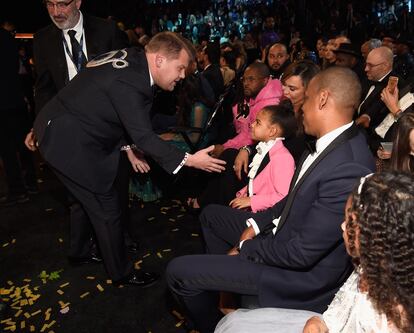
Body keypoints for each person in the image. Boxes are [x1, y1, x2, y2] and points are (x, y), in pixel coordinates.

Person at [166, 67, 375, 333]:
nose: (299, 108)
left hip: (296, 274)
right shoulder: (326, 143)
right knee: (211, 216)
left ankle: (216, 323)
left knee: (178, 272)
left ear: (322, 99)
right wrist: (254, 225)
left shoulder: (349, 165)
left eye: (306, 99)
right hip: (279, 238)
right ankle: (226, 290)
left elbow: (301, 253)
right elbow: (290, 200)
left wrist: (245, 248)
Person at [28, 32, 226, 287]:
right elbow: (144, 135)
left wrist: (128, 148)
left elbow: (112, 108)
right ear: (159, 60)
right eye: (179, 68)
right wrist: (189, 159)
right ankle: (120, 272)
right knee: (107, 204)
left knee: (82, 198)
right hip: (67, 140)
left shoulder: (134, 61)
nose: (181, 76)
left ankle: (80, 252)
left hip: (66, 127)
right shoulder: (133, 81)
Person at [215, 172, 414, 333]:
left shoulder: (397, 319)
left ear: (378, 238)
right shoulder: (369, 265)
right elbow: (341, 310)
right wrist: (320, 323)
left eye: (351, 224)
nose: (342, 226)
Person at [229, 103, 296, 212]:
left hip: (265, 217)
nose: (252, 125)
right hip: (254, 210)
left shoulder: (282, 158)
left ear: (272, 131)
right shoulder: (263, 148)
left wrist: (251, 201)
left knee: (210, 214)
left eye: (258, 123)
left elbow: (284, 197)